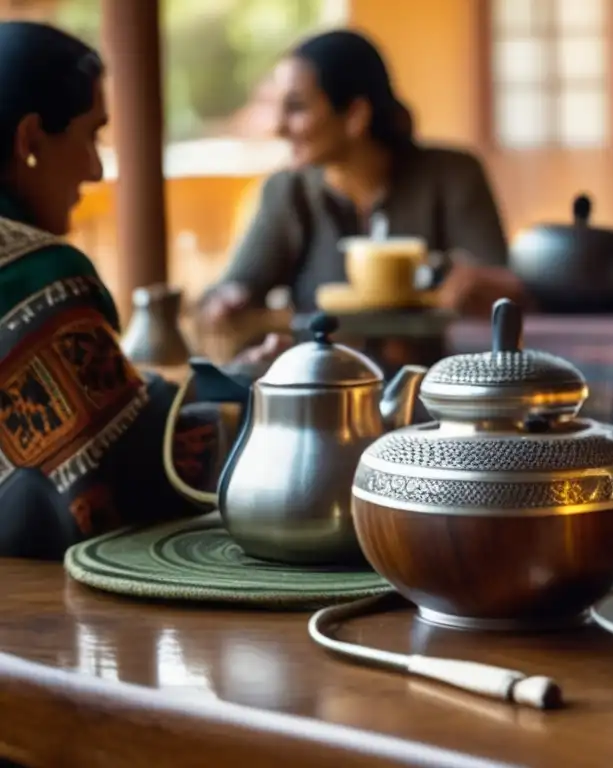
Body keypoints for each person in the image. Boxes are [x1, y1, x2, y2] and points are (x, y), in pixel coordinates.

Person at [0, 22, 281, 559]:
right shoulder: (40, 274)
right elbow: (117, 468)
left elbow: (97, 407)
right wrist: (261, 394)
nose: (97, 167)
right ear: (30, 139)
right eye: (91, 136)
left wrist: (217, 382)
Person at [201, 29, 525, 323]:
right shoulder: (288, 191)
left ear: (355, 115)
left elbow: (505, 290)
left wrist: (477, 284)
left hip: (437, 380)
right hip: (324, 380)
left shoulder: (453, 176)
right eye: (279, 108)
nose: (279, 128)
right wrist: (227, 301)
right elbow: (236, 287)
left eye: (297, 108)